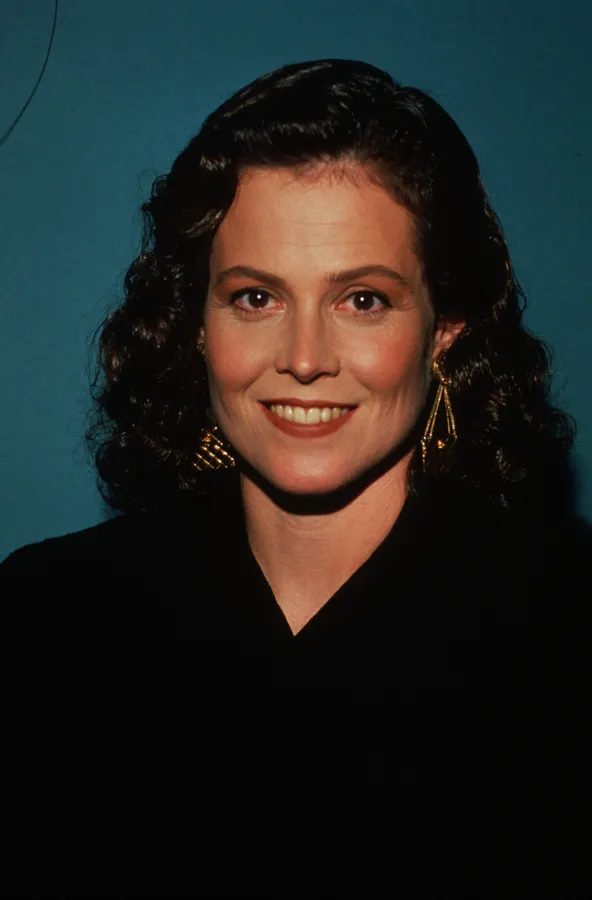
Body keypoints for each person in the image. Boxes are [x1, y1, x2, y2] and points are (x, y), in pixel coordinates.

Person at [2, 57, 592, 895]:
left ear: (445, 327)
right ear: (196, 322)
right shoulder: (48, 618)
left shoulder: (567, 625)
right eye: (256, 298)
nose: (305, 359)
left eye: (363, 300)